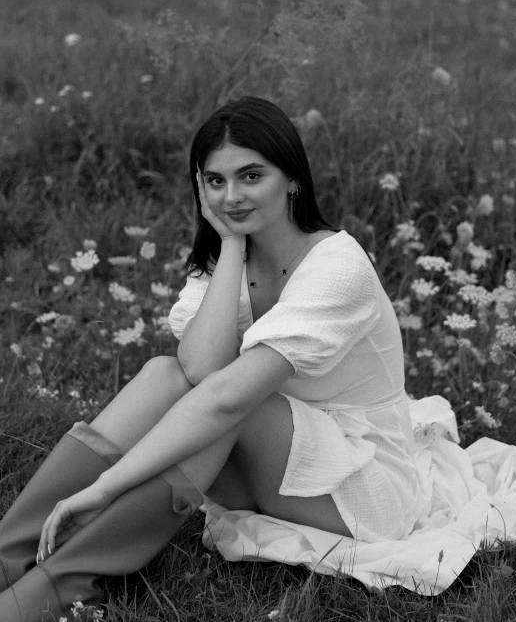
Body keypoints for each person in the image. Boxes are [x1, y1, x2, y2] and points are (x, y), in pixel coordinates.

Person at [0, 96, 422, 621]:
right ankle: (9, 556)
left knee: (233, 403)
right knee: (163, 374)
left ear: (292, 178)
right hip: (274, 454)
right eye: (216, 181)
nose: (232, 196)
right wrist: (230, 246)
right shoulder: (230, 254)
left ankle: (61, 586)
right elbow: (197, 369)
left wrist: (104, 487)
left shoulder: (338, 266)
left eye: (250, 176)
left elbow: (221, 396)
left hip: (359, 484)